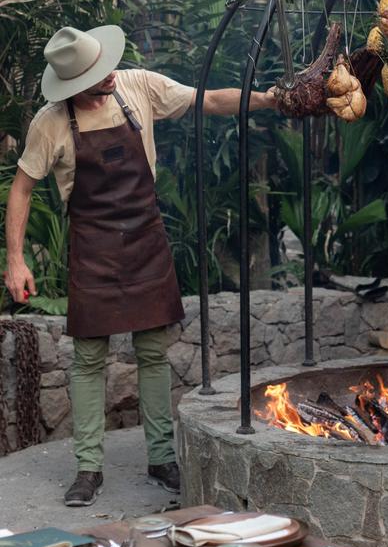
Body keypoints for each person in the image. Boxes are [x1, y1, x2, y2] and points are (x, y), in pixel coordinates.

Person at [3, 25, 277, 506]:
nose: (107, 76)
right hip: (93, 249)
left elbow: (209, 100)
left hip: (147, 241)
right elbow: (22, 188)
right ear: (72, 85)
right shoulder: (50, 123)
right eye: (94, 75)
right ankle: (89, 469)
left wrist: (271, 99)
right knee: (88, 361)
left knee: (153, 351)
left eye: (105, 66)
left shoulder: (137, 87)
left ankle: (161, 458)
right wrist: (15, 259)